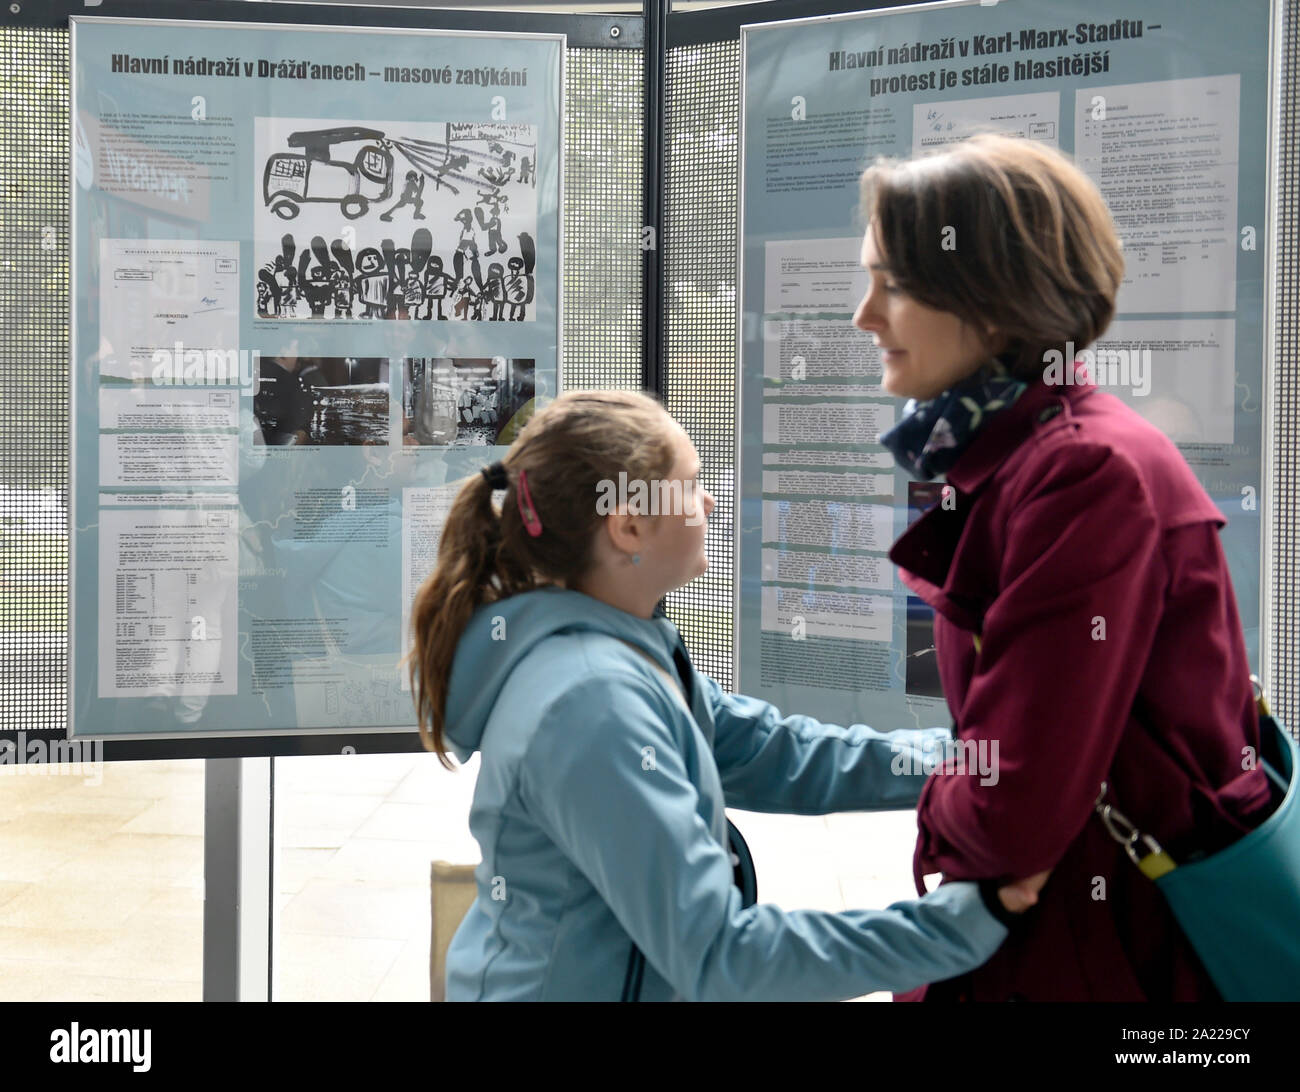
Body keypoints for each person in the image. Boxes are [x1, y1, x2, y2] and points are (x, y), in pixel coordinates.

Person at [408, 389, 1047, 1002]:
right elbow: (722, 957)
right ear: (629, 526)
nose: (709, 502)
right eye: (690, 485)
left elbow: (783, 754)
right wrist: (964, 919)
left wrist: (972, 759)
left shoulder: (629, 654)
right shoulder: (589, 703)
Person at [852, 132, 1272, 1001]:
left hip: (1111, 961)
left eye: (891, 285)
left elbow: (1012, 810)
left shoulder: (1084, 474)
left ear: (994, 299)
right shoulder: (1032, 455)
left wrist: (945, 794)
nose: (865, 316)